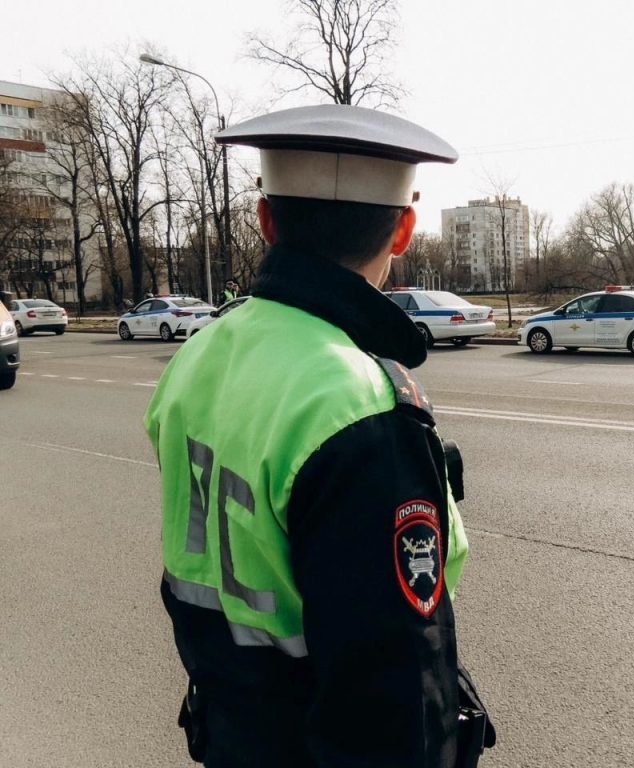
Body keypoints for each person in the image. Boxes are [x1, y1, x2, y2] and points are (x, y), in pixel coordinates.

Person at [144, 105, 493, 767]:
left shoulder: (197, 358)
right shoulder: (358, 404)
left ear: (266, 220)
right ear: (404, 231)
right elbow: (388, 705)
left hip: (233, 733)